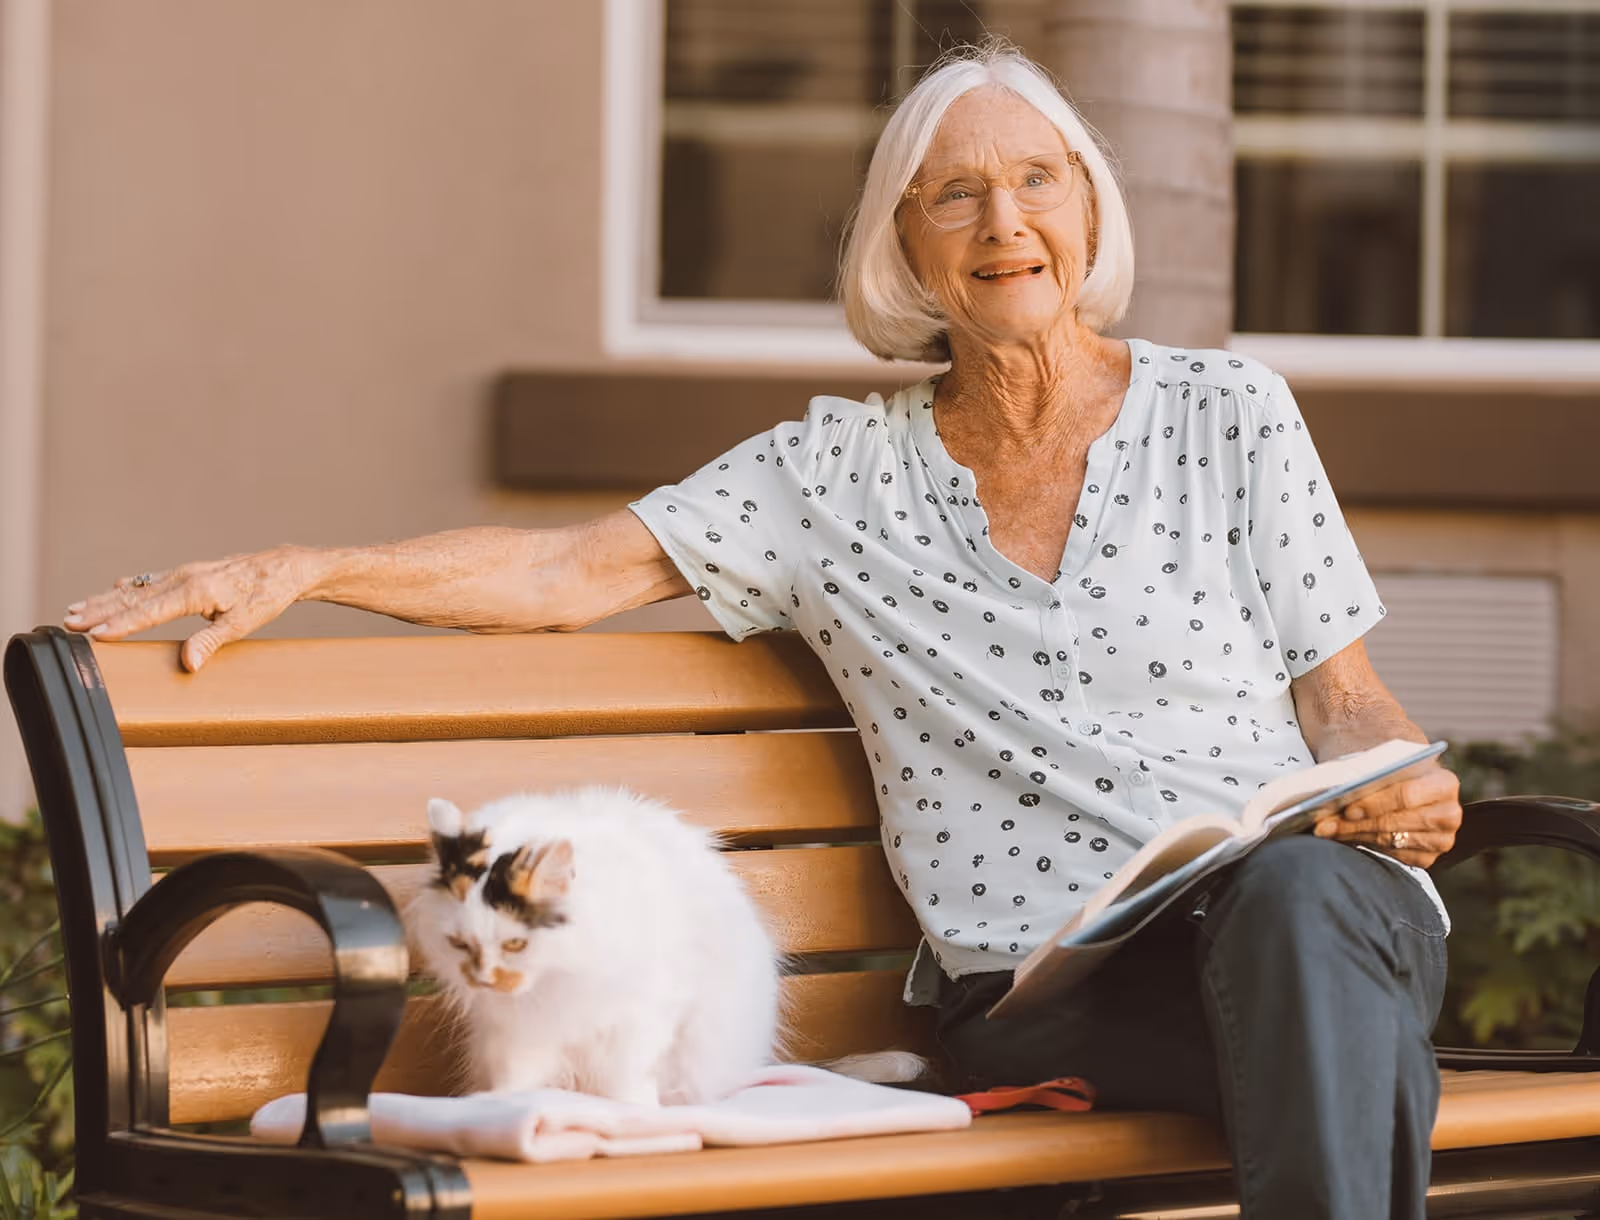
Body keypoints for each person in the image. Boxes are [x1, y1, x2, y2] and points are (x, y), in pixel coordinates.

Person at [64, 45, 1461, 1219]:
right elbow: (561, 569)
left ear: (1090, 210)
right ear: (904, 245)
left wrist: (1397, 780)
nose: (1004, 225)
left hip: (1308, 929)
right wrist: (304, 566)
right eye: (954, 196)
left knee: (1297, 907)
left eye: (1037, 179)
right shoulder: (826, 480)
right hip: (1061, 1003)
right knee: (1329, 1019)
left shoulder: (1232, 413)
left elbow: (1346, 701)